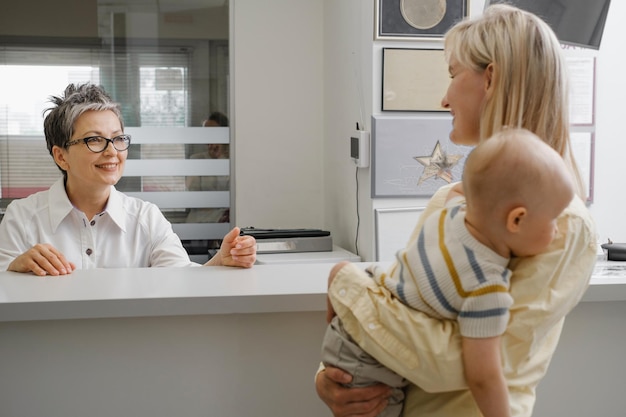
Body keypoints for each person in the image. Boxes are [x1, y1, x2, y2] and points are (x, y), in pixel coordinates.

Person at [315, 4, 597, 417]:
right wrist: (333, 377)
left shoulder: (563, 226)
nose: (444, 98)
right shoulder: (449, 202)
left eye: (452, 75)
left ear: (492, 79)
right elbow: (402, 302)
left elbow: (458, 365)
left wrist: (348, 288)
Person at [321, 128, 575, 417]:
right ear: (516, 219)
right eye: (554, 218)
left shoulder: (449, 214)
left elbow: (460, 191)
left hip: (354, 329)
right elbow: (483, 376)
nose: (557, 231)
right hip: (372, 365)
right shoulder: (486, 288)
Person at [0, 83, 256, 276]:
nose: (113, 151)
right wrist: (14, 269)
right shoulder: (22, 217)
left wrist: (221, 261)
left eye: (118, 138)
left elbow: (184, 280)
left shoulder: (146, 217)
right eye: (94, 139)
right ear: (61, 156)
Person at [186, 111, 231, 224]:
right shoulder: (197, 159)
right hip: (200, 221)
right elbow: (193, 198)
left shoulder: (232, 162)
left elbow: (234, 197)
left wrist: (220, 157)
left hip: (223, 220)